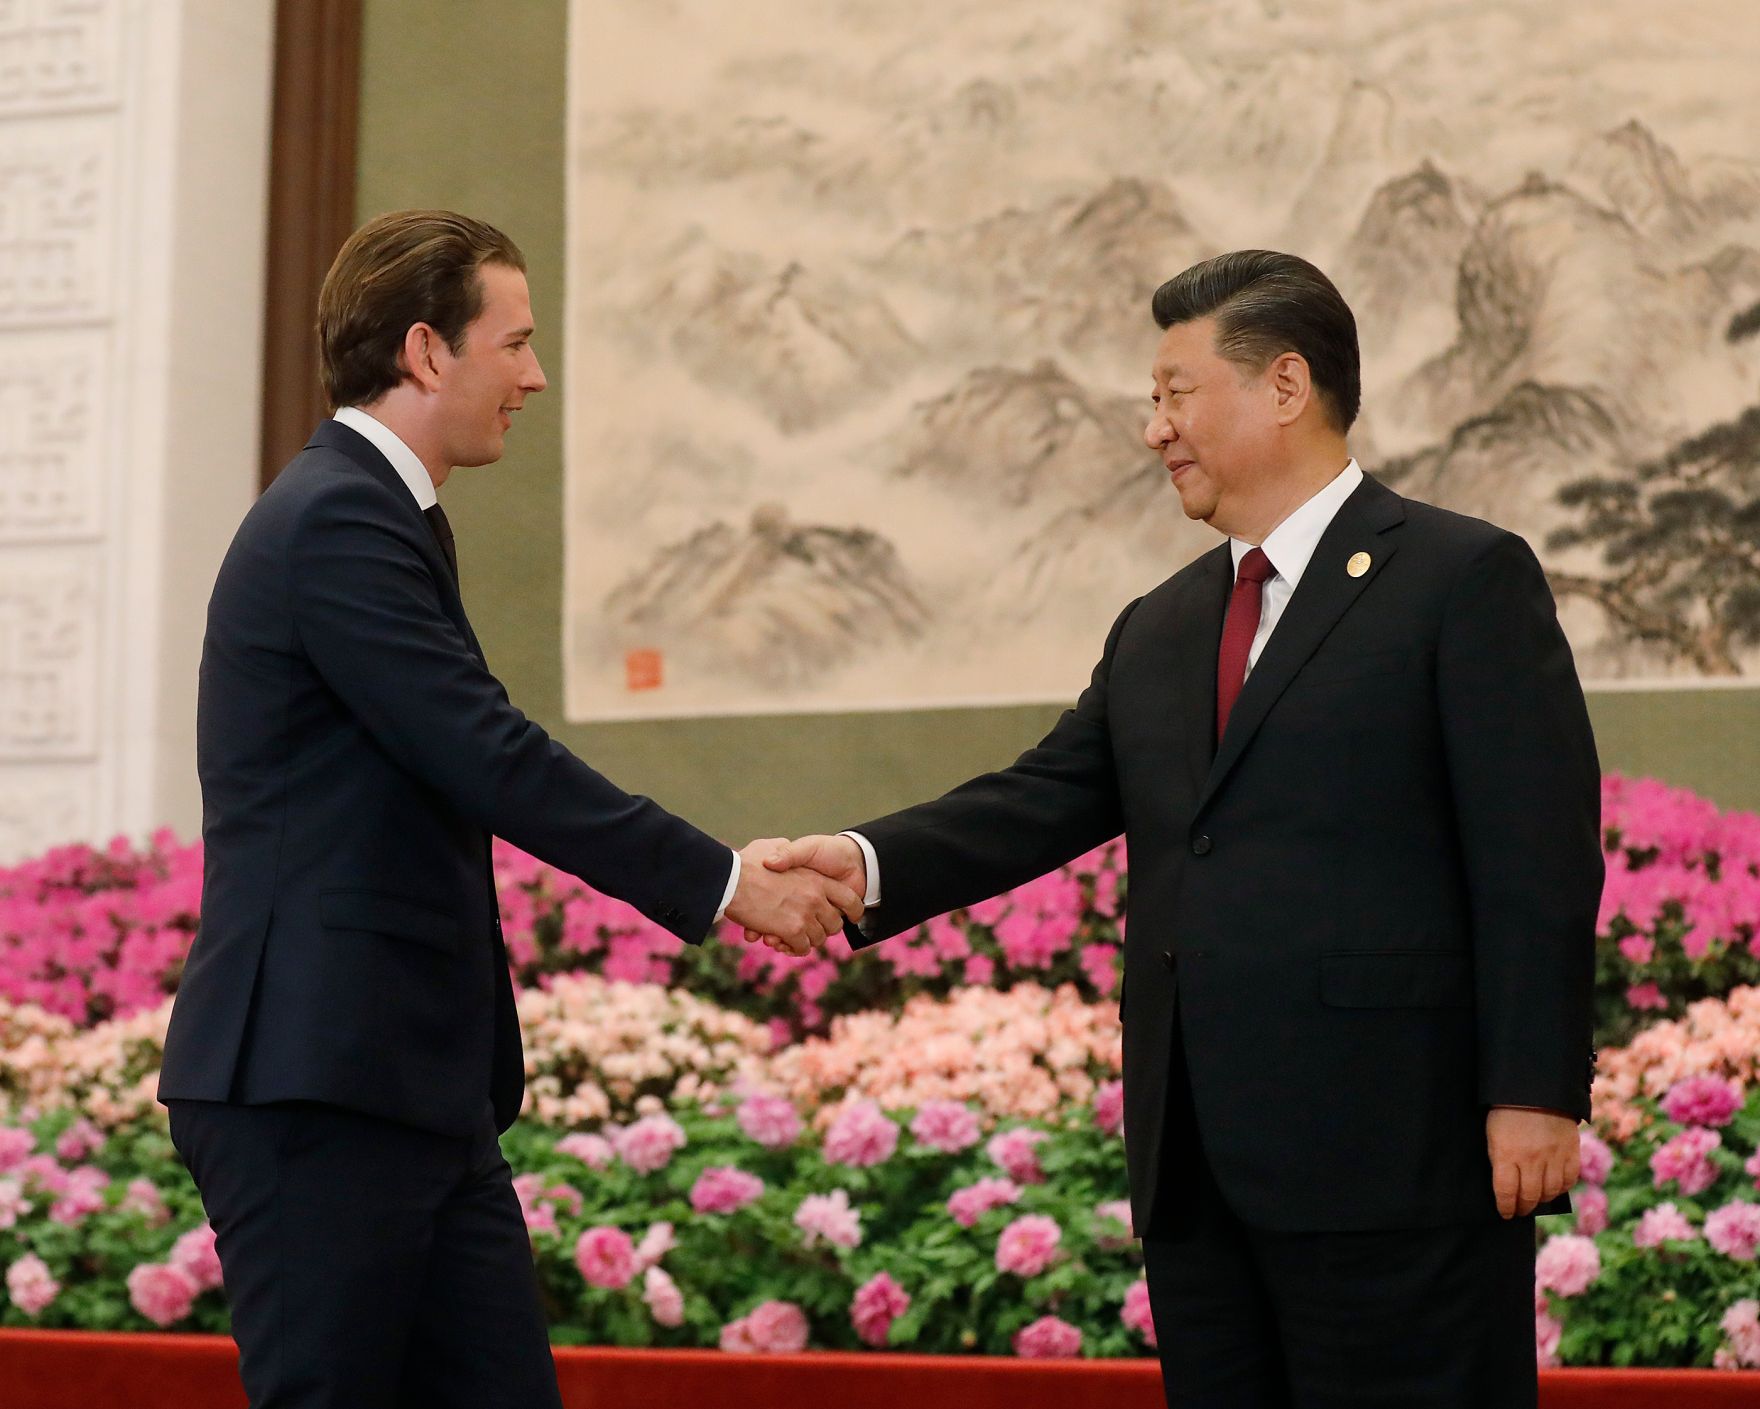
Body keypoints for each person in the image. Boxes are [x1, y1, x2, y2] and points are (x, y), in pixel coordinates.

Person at [759, 251, 1602, 1408]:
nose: (1153, 428)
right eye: (1149, 400)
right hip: (1199, 1175)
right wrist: (859, 861)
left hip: (1396, 1163)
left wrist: (1534, 1088)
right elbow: (1044, 794)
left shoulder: (1459, 578)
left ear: (1285, 385)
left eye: (1174, 392)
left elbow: (1535, 858)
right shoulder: (1162, 624)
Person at [156, 209, 860, 1408]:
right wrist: (725, 880)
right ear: (427, 350)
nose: (535, 375)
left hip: (406, 1087)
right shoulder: (334, 515)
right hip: (316, 1082)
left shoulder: (382, 512)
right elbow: (488, 752)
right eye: (516, 341)